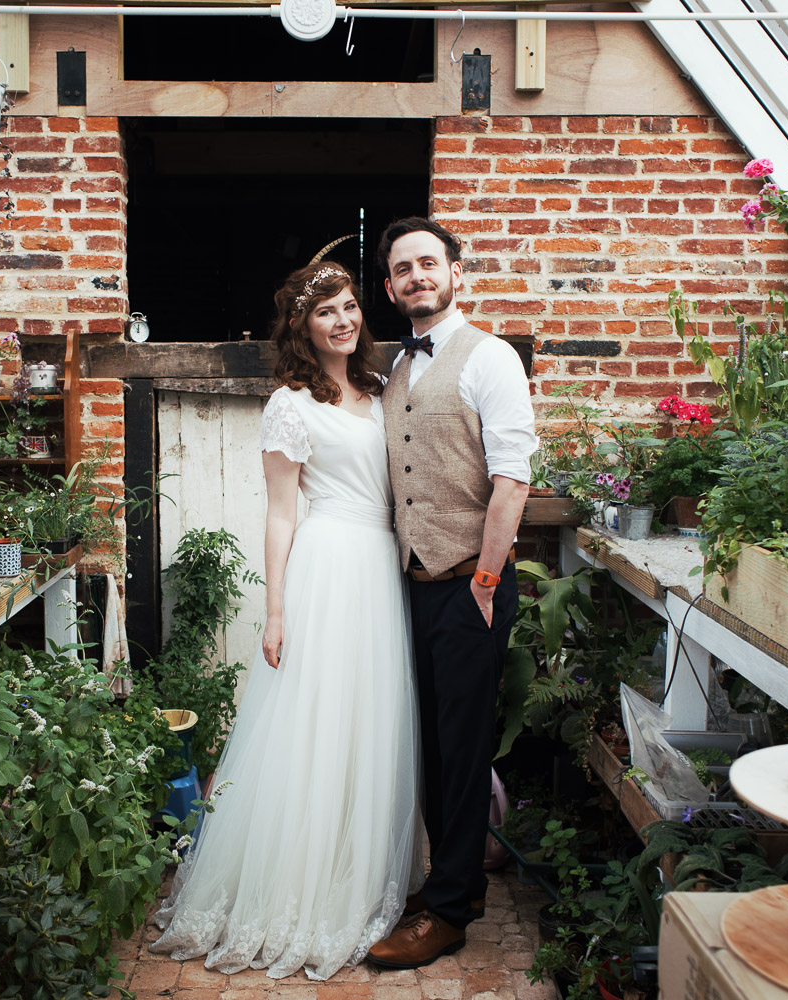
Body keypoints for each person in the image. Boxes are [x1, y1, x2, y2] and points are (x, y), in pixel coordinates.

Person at [149, 261, 423, 980]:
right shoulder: (290, 404)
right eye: (326, 311)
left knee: (367, 720)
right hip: (327, 567)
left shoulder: (381, 388)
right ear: (302, 326)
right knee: (315, 719)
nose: (343, 320)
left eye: (350, 307)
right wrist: (274, 609)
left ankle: (354, 866)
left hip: (380, 571)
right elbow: (279, 511)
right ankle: (296, 885)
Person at [366, 217, 537, 969]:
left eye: (428, 263)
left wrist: (488, 582)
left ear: (456, 272)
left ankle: (452, 909)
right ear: (390, 287)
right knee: (430, 744)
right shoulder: (397, 369)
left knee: (462, 753)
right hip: (412, 585)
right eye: (403, 269)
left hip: (472, 583)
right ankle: (446, 882)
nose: (417, 277)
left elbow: (512, 478)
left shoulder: (488, 357)